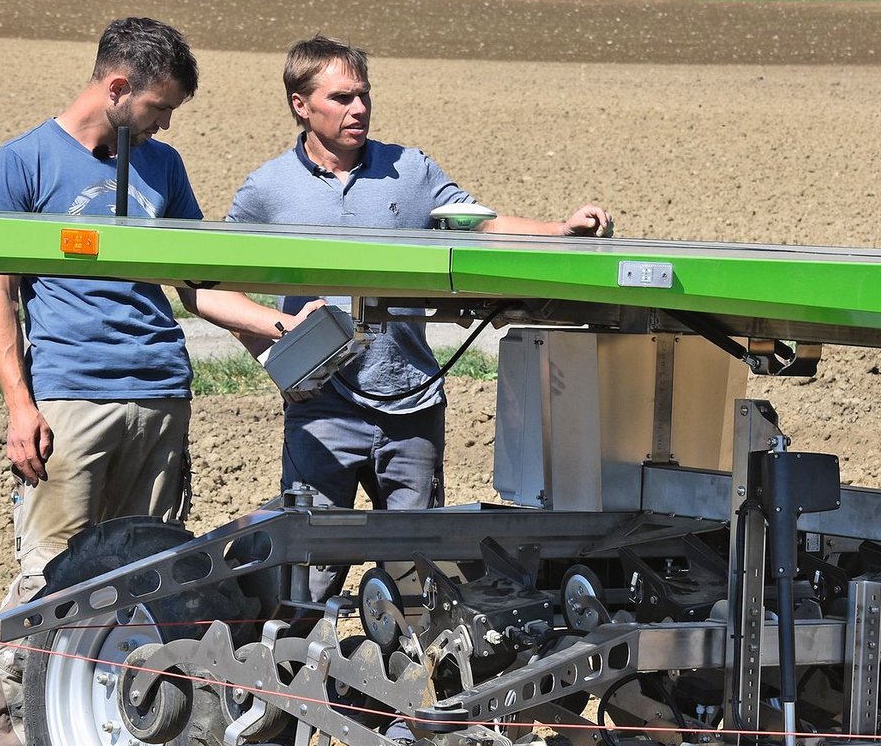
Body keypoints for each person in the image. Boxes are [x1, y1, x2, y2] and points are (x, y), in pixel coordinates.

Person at [0, 17, 302, 746]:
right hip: (71, 401)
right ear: (117, 87)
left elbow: (197, 283)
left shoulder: (162, 167)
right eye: (158, 106)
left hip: (160, 397)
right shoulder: (25, 163)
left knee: (147, 586)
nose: (165, 124)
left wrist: (278, 327)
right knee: (44, 587)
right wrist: (19, 404)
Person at [228, 35, 611, 600]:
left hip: (410, 404)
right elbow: (214, 284)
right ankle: (294, 652)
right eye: (341, 98)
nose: (359, 108)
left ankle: (403, 653)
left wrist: (560, 230)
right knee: (308, 572)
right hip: (321, 409)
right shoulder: (268, 189)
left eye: (363, 95)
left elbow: (481, 225)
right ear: (300, 105)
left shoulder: (410, 170)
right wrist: (274, 351)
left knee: (416, 573)